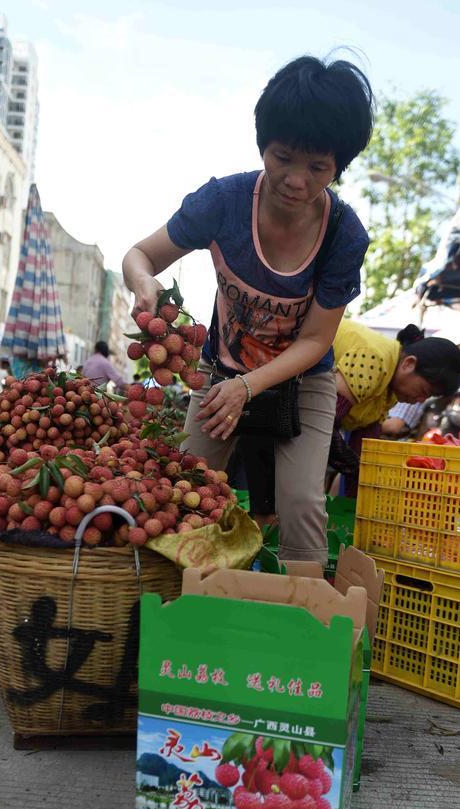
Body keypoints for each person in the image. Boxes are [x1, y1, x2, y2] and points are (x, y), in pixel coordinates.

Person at [123, 54, 374, 564]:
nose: (296, 180)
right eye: (282, 157)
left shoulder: (344, 235)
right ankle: (176, 599)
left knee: (302, 502)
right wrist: (143, 285)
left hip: (303, 381)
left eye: (317, 168)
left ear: (338, 167)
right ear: (264, 144)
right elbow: (140, 254)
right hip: (220, 372)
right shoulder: (224, 202)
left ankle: (306, 618)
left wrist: (247, 387)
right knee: (184, 484)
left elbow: (315, 340)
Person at [328, 322, 460, 491]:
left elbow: (365, 444)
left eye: (427, 397)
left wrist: (362, 474)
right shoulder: (376, 359)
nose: (420, 400)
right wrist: (354, 466)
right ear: (409, 364)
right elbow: (324, 422)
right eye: (423, 391)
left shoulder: (390, 392)